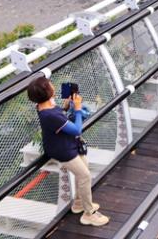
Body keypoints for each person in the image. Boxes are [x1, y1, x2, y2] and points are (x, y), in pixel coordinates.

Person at [27, 77, 110, 227]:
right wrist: (77, 109)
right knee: (85, 176)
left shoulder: (43, 107)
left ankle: (79, 204)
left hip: (67, 145)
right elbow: (76, 129)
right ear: (46, 92)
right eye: (49, 85)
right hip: (63, 150)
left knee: (83, 170)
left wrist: (66, 107)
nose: (53, 85)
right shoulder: (50, 115)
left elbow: (57, 113)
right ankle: (89, 213)